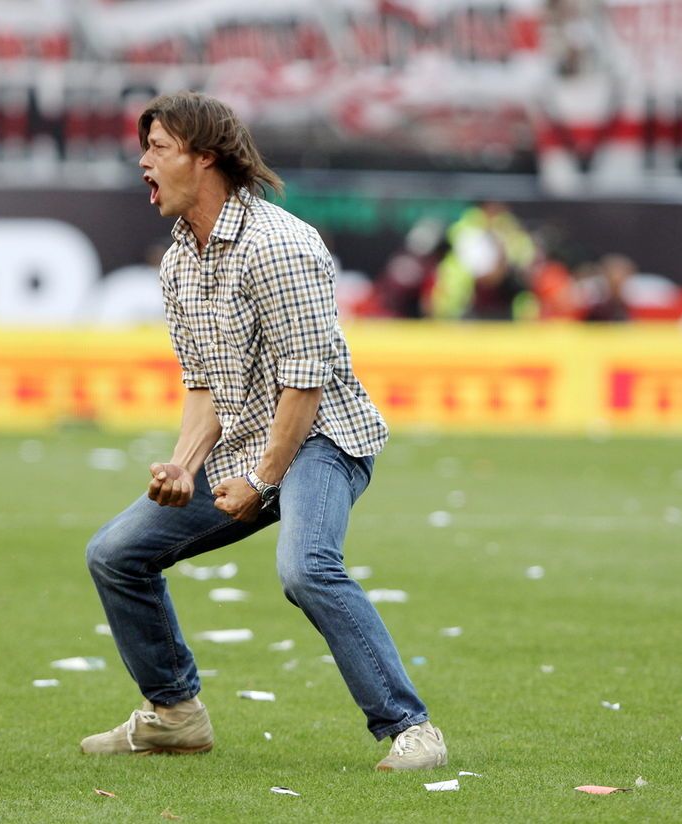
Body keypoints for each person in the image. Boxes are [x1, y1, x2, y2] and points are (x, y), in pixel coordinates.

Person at [82, 92, 448, 772]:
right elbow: (204, 384)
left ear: (205, 157)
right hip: (245, 447)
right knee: (114, 554)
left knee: (306, 567)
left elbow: (304, 384)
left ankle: (411, 728)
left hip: (322, 439)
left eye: (158, 149)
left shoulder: (279, 244)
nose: (143, 164)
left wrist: (261, 479)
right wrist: (186, 462)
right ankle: (175, 715)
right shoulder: (178, 262)